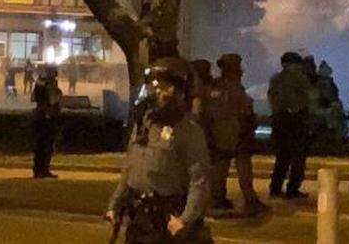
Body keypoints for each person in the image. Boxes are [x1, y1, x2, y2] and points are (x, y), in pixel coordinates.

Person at [105, 57, 212, 242]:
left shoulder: (188, 130)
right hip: (140, 219)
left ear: (181, 92)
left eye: (165, 87)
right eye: (154, 86)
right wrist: (115, 205)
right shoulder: (143, 124)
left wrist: (185, 220)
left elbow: (199, 180)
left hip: (168, 221)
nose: (158, 92)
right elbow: (130, 169)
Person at [204, 53, 269, 217]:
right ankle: (249, 199)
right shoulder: (233, 86)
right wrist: (249, 123)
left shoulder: (216, 86)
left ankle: (218, 198)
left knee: (221, 164)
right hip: (235, 129)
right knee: (242, 164)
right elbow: (242, 109)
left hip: (220, 130)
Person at [268, 51, 312, 199]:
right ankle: (293, 188)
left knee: (282, 157)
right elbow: (305, 100)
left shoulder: (276, 79)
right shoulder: (300, 78)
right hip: (296, 121)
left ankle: (275, 187)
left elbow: (273, 99)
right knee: (298, 157)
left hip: (279, 120)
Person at [31, 64, 63, 179]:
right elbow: (53, 99)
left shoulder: (40, 81)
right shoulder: (49, 83)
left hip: (40, 116)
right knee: (46, 145)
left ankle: (39, 170)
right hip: (47, 117)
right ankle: (43, 170)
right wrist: (59, 94)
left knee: (41, 145)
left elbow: (33, 97)